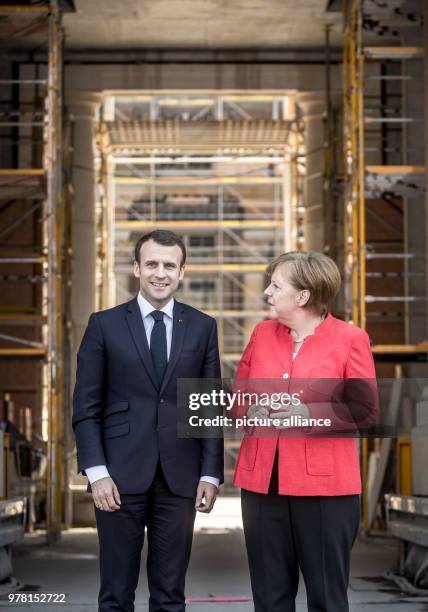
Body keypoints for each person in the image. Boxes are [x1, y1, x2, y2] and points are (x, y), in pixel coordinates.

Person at [72, 229, 224, 612]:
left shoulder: (203, 326)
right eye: (152, 264)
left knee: (171, 595)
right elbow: (86, 407)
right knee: (116, 595)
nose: (161, 273)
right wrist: (96, 472)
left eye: (169, 265)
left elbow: (208, 406)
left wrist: (210, 474)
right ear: (136, 268)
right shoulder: (103, 324)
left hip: (180, 478)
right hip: (118, 478)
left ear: (182, 272)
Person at [233, 251, 377, 612]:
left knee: (326, 598)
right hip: (262, 486)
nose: (267, 292)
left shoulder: (350, 339)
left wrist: (308, 413)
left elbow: (365, 411)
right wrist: (250, 410)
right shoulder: (262, 334)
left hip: (326, 491)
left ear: (303, 296)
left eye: (276, 285)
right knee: (269, 599)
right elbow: (236, 399)